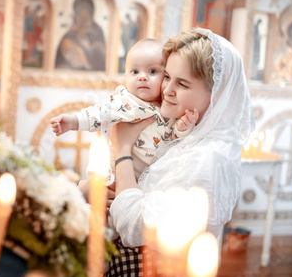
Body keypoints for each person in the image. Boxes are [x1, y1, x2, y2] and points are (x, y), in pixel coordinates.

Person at [103, 28, 254, 277]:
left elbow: (133, 226)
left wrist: (122, 149)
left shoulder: (209, 157)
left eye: (182, 84)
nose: (166, 90)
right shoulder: (187, 133)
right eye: (168, 77)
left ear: (216, 95)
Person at [50, 38, 198, 180]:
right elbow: (100, 114)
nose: (142, 77)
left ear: (166, 75)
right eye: (135, 72)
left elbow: (174, 141)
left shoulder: (168, 107)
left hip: (149, 175)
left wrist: (183, 128)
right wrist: (73, 121)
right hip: (117, 170)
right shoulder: (126, 101)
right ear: (126, 76)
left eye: (152, 71)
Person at [55, 0, 106, 71]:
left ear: (91, 13)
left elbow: (102, 54)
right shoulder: (72, 31)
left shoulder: (97, 30)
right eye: (80, 15)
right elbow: (60, 58)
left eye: (86, 15)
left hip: (94, 70)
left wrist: (98, 47)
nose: (83, 19)